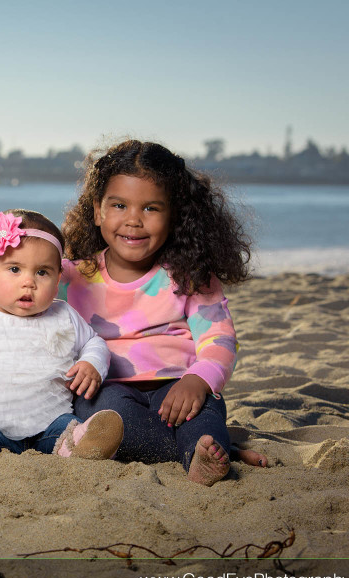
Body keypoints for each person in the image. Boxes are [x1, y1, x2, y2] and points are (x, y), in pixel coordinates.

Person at [61, 139, 262, 486]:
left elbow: (220, 338)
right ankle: (202, 451)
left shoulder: (190, 275)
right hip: (109, 387)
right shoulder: (70, 276)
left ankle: (203, 452)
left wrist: (198, 380)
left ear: (174, 214)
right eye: (119, 205)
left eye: (151, 208)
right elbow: (23, 283)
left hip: (179, 384)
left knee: (204, 414)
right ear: (97, 210)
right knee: (112, 421)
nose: (134, 220)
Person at [0, 210, 124, 458]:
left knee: (68, 428)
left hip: (49, 425)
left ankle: (79, 445)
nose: (29, 282)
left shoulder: (64, 315)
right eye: (15, 269)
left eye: (42, 272)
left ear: (58, 278)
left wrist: (91, 361)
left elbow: (94, 342)